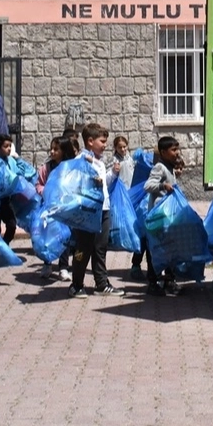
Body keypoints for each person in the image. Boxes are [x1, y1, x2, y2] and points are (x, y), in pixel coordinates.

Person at [67, 123, 124, 297]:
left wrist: (113, 174)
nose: (105, 145)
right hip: (87, 211)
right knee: (83, 248)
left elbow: (104, 183)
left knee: (100, 247)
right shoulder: (81, 160)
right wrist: (91, 182)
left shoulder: (99, 161)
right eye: (102, 141)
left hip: (103, 209)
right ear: (90, 141)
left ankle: (101, 284)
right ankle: (76, 285)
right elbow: (75, 183)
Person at [141, 135, 182, 296]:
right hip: (159, 217)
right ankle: (153, 282)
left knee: (170, 247)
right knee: (155, 249)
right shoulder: (159, 167)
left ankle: (169, 281)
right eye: (173, 150)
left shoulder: (170, 167)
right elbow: (148, 185)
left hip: (168, 217)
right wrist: (163, 186)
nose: (177, 152)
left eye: (177, 149)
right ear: (163, 152)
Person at [35, 135, 76, 281]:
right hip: (49, 208)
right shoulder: (46, 168)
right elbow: (39, 184)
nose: (52, 152)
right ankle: (47, 264)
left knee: (64, 237)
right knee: (48, 236)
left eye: (56, 149)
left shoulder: (71, 167)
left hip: (65, 208)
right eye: (51, 149)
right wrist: (45, 191)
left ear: (64, 151)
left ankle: (63, 267)